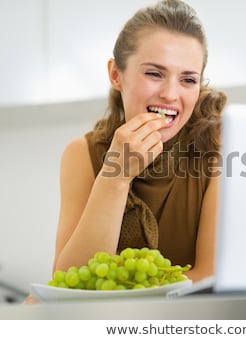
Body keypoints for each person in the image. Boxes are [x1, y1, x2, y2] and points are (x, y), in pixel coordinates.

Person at [52, 0, 226, 284]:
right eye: (154, 74)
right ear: (116, 75)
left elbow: (209, 277)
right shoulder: (82, 153)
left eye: (188, 79)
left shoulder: (219, 147)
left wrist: (125, 290)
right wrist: (115, 177)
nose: (171, 94)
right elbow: (71, 281)